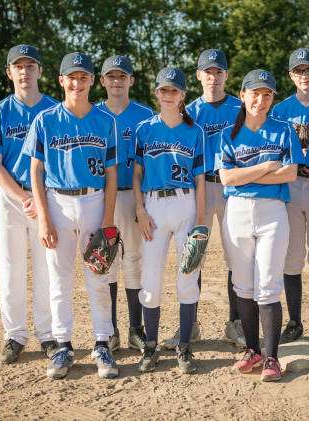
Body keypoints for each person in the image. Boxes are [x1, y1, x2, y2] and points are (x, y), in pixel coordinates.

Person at [25, 52, 120, 380]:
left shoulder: (105, 121)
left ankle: (102, 342)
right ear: (61, 81)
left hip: (94, 201)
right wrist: (43, 218)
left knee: (99, 277)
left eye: (83, 77)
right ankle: (63, 344)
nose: (77, 83)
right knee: (59, 279)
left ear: (92, 81)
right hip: (58, 203)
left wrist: (108, 220)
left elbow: (111, 173)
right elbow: (35, 171)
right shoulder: (46, 120)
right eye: (72, 77)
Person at [218, 69, 303, 382]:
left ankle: (272, 357)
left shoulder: (283, 130)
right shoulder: (229, 133)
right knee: (243, 282)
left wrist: (247, 174)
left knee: (267, 282)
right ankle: (252, 350)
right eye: (255, 93)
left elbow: (291, 173)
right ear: (242, 95)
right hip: (237, 211)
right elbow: (226, 178)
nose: (261, 99)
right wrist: (266, 167)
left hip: (272, 212)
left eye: (267, 94)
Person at [0, 44, 57, 364]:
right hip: (12, 199)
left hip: (48, 198)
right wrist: (24, 197)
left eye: (30, 65)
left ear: (40, 71)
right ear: (10, 73)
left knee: (46, 268)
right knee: (11, 267)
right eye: (18, 66)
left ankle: (48, 334)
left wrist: (39, 198)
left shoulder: (54, 110)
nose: (25, 71)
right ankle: (15, 335)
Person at [160, 49, 245, 350]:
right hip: (200, 187)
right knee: (193, 252)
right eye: (207, 71)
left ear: (226, 75)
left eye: (218, 71)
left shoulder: (240, 107)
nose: (213, 76)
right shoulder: (189, 110)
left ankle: (235, 323)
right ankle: (190, 324)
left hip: (233, 188)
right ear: (198, 76)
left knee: (236, 255)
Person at [132, 67, 206, 375]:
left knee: (187, 277)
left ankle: (184, 346)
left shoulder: (195, 131)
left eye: (174, 90)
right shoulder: (144, 129)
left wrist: (200, 222)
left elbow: (201, 179)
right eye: (164, 90)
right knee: (150, 279)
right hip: (153, 206)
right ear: (156, 93)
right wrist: (139, 210)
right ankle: (150, 346)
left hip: (185, 203)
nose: (168, 95)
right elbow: (137, 174)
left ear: (182, 96)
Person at [271, 47, 309, 347]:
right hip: (292, 187)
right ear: (291, 75)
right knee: (292, 257)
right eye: (298, 71)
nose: (304, 75)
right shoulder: (280, 110)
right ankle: (294, 322)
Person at [97, 55, 154, 354]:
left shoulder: (145, 115)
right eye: (111, 76)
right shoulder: (92, 114)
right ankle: (110, 330)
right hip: (100, 197)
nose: (117, 81)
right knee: (106, 262)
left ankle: (135, 328)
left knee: (134, 261)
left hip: (133, 195)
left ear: (131, 80)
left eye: (123, 76)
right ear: (103, 80)